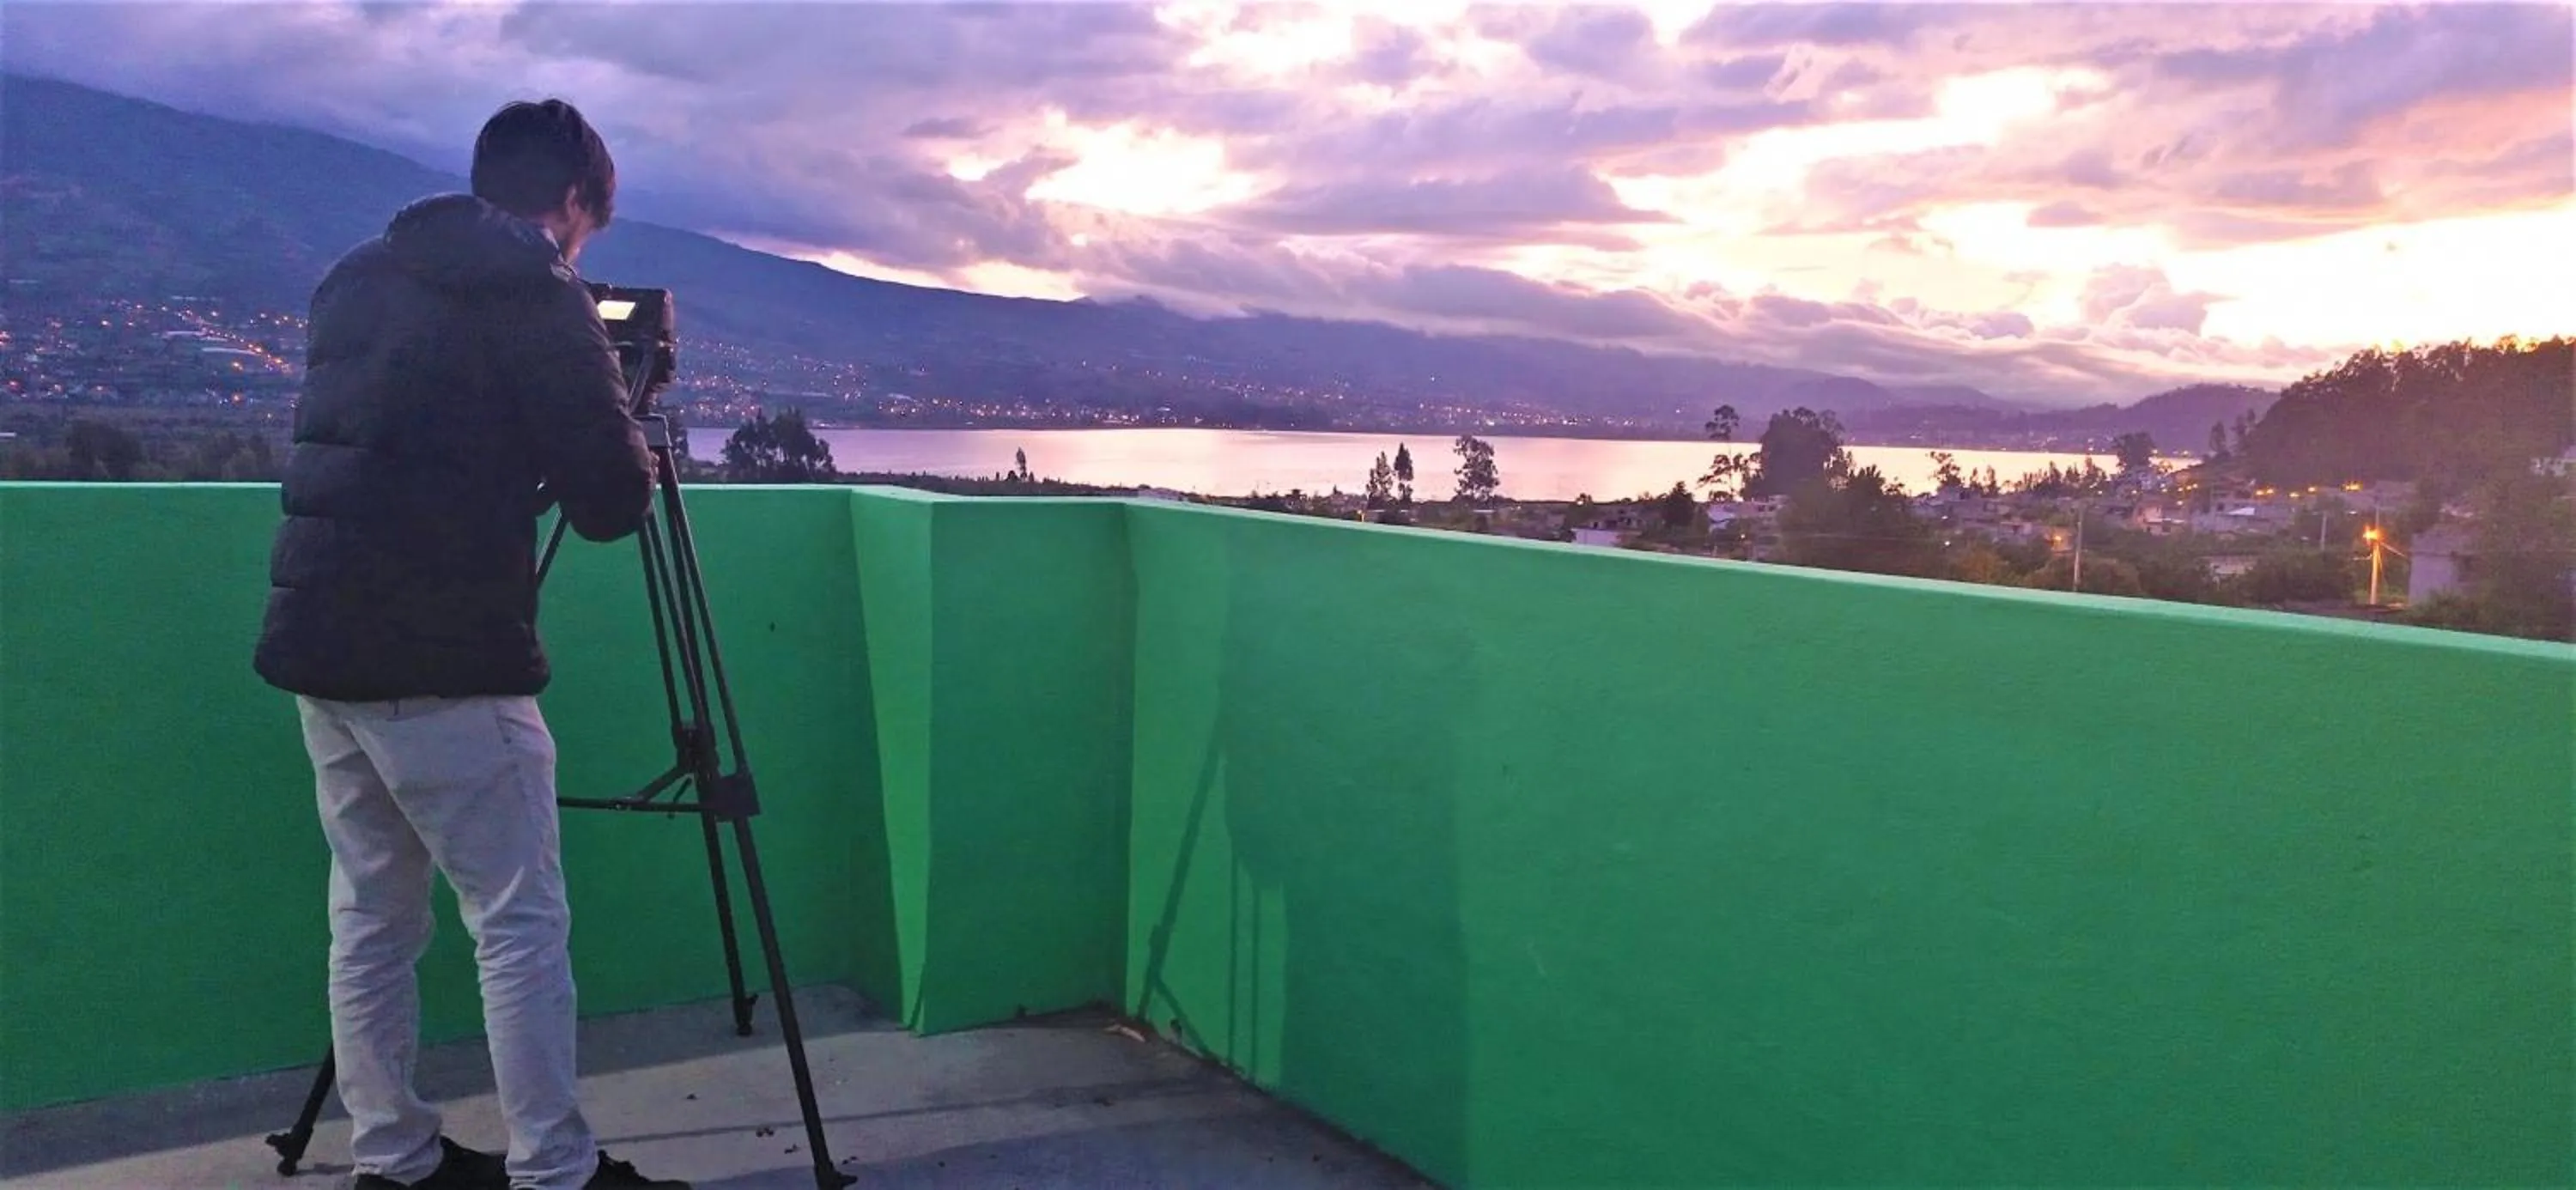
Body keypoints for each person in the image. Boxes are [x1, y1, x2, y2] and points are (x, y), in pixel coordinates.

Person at [253, 98, 686, 1190]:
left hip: (322, 643)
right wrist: (626, 411)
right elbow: (605, 501)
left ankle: (392, 1157)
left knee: (372, 917)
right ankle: (556, 1170)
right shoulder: (534, 289)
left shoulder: (360, 272)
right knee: (520, 923)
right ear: (579, 202)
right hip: (445, 656)